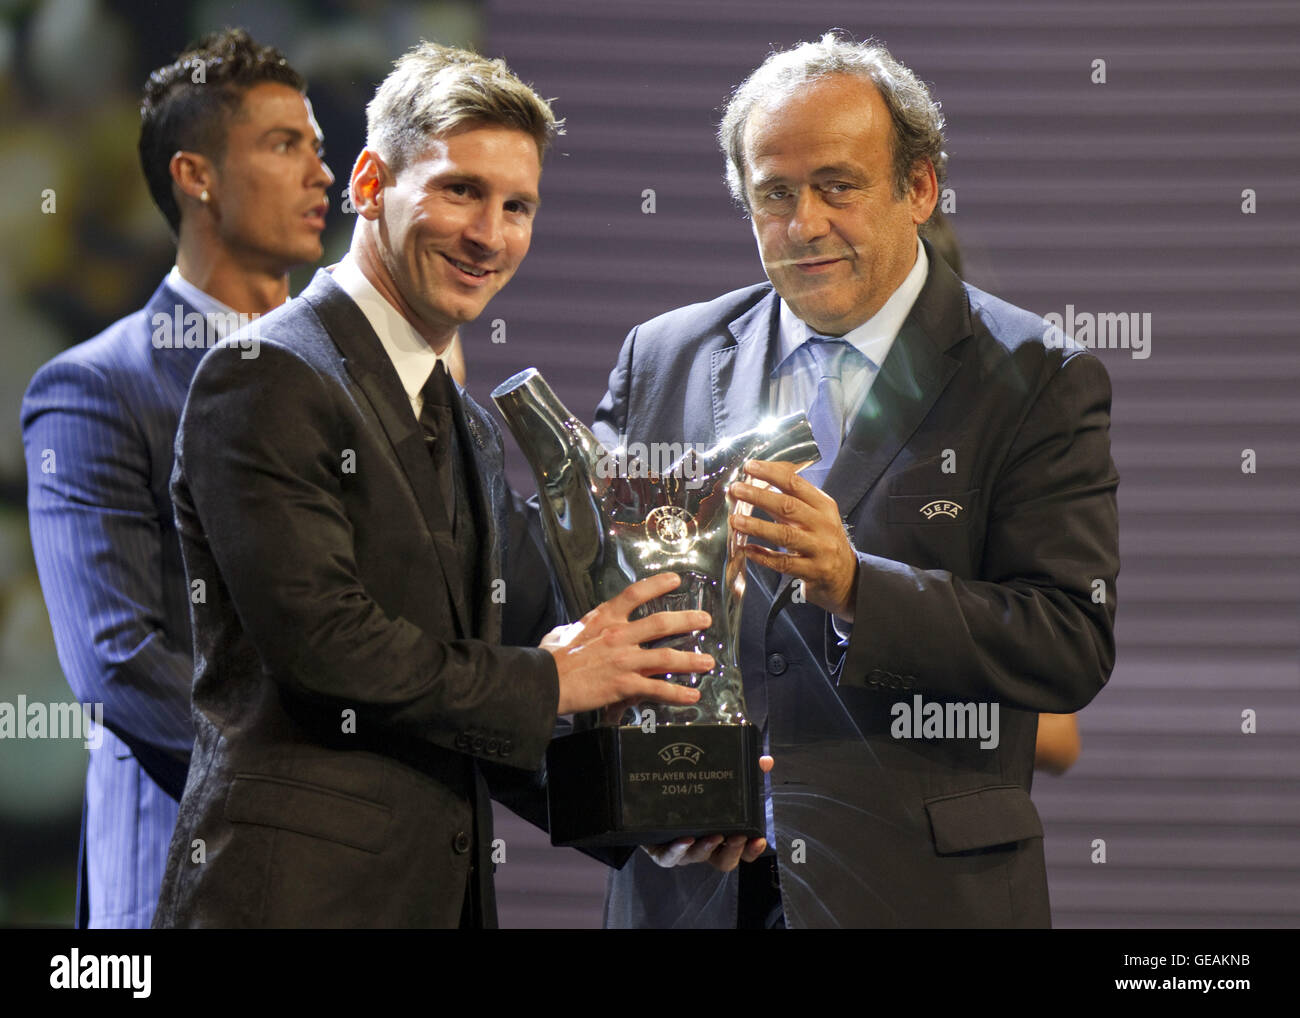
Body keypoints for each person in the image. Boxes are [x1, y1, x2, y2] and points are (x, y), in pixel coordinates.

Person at [151, 41, 712, 929]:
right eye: (460, 190)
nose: (490, 235)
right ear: (370, 183)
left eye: (517, 206)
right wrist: (553, 679)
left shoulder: (470, 426)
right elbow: (326, 646)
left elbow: (482, 695)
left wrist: (650, 814)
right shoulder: (264, 374)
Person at [595, 32, 1118, 928]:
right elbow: (583, 607)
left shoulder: (1035, 373)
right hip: (687, 892)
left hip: (922, 895)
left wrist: (854, 585)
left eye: (838, 186)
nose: (805, 224)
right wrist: (630, 800)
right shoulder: (664, 357)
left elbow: (1069, 640)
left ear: (919, 189)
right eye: (775, 194)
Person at [21, 28, 332, 928]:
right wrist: (308, 788)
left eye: (317, 147)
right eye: (285, 145)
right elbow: (118, 663)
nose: (321, 173)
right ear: (196, 177)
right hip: (179, 878)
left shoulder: (359, 385)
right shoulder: (96, 388)